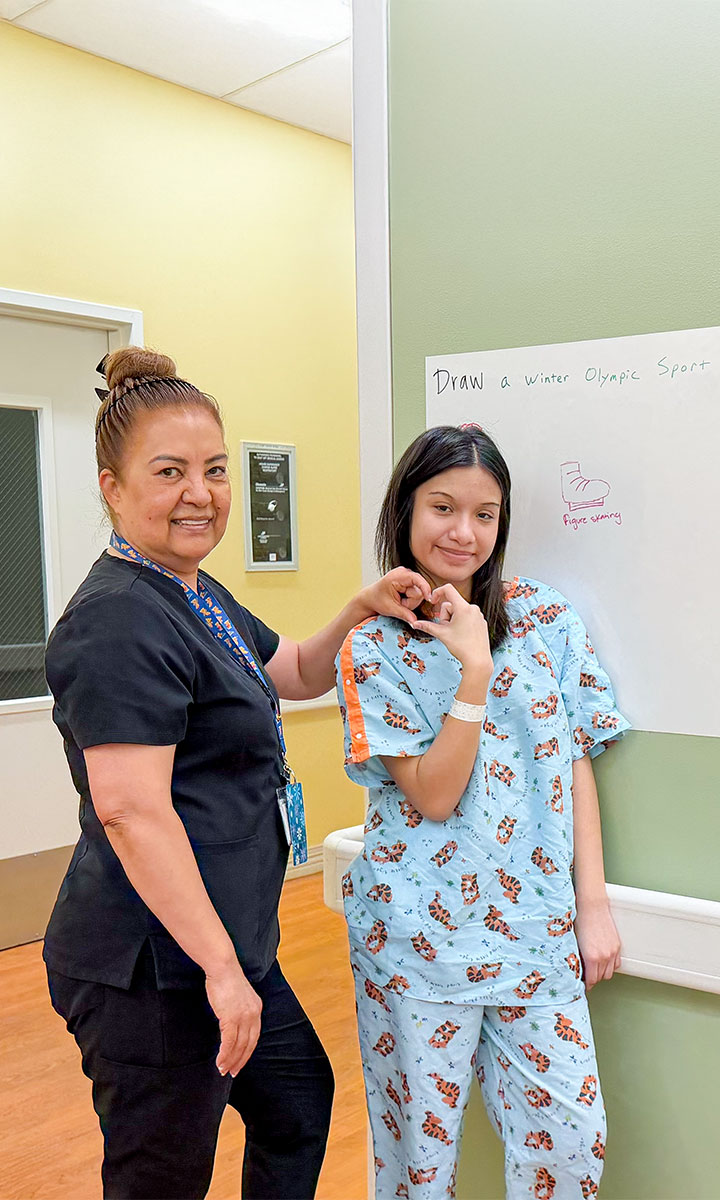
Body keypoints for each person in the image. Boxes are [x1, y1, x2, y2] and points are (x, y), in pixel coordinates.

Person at [43, 346, 432, 1200]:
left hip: (227, 942)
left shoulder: (190, 588)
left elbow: (290, 670)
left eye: (215, 470)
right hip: (157, 966)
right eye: (170, 471)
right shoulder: (114, 623)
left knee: (295, 1102)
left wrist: (359, 610)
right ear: (111, 487)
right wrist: (222, 970)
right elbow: (131, 813)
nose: (201, 493)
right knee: (162, 1176)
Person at [335, 425, 630, 1200]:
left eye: (485, 514)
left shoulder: (547, 619)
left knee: (572, 1151)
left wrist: (590, 904)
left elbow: (575, 760)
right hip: (415, 944)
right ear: (404, 511)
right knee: (416, 1173)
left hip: (536, 934)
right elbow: (433, 795)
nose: (463, 532)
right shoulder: (370, 646)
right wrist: (473, 669)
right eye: (442, 507)